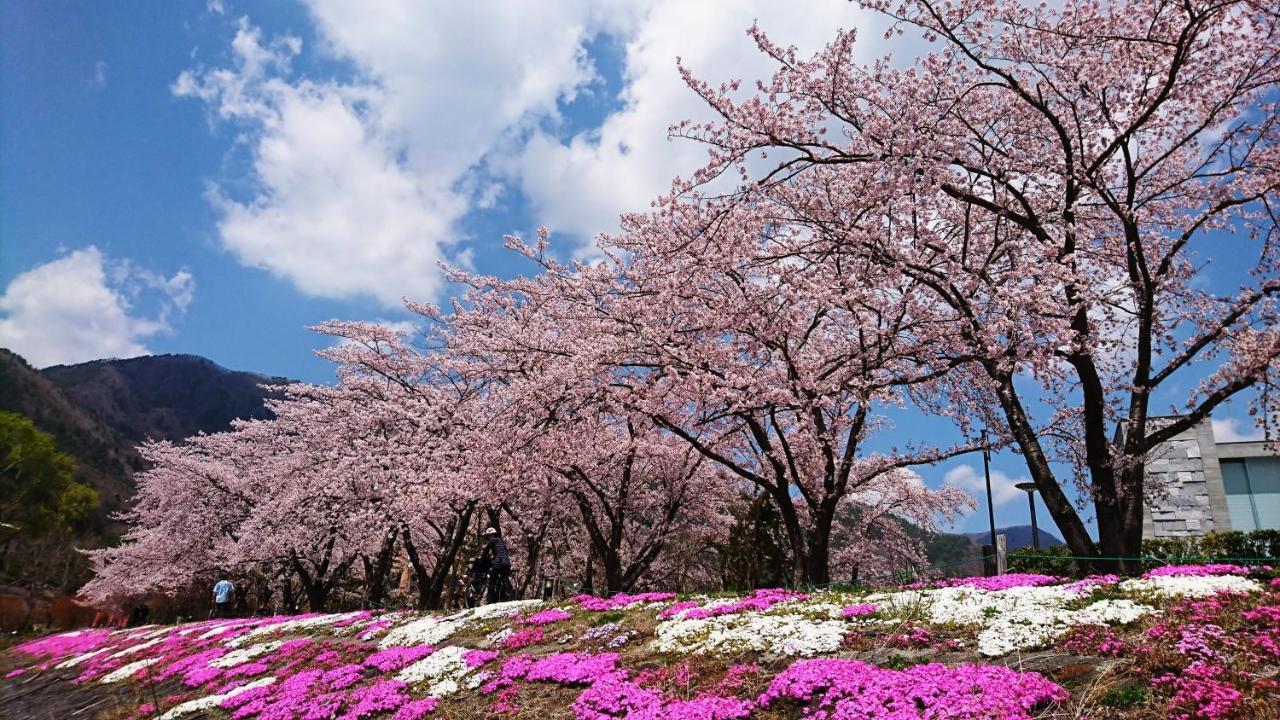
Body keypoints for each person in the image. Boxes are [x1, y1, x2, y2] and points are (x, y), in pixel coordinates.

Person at [478, 527, 512, 604]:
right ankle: (505, 595)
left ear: (490, 535)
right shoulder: (501, 541)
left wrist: (481, 559)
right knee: (502, 578)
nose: (488, 537)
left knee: (492, 581)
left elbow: (486, 550)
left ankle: (491, 600)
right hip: (507, 563)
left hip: (499, 563)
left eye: (488, 536)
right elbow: (503, 552)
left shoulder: (492, 541)